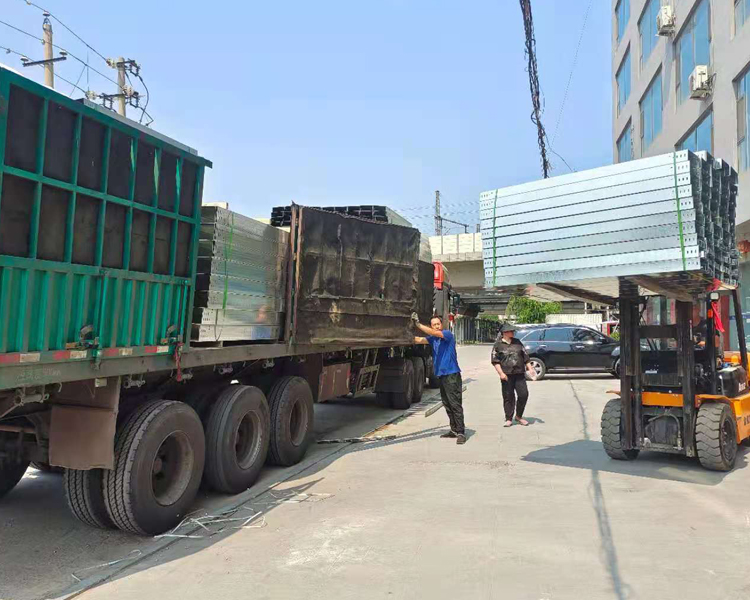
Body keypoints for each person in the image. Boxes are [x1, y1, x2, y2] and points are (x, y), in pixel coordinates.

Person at [413, 314, 466, 445]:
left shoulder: (447, 334)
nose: (436, 326)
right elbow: (419, 340)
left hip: (452, 375)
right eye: (434, 325)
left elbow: (433, 333)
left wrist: (418, 324)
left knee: (455, 403)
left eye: (438, 324)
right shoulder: (433, 339)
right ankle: (454, 430)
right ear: (431, 326)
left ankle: (461, 432)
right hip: (442, 376)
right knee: (447, 403)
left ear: (441, 325)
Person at [491, 323, 536, 427]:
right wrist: (501, 373)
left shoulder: (517, 342)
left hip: (519, 374)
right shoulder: (498, 345)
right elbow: (495, 361)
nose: (513, 332)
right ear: (505, 332)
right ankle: (508, 418)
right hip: (506, 375)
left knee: (523, 395)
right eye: (511, 331)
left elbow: (525, 357)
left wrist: (530, 368)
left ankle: (519, 416)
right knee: (508, 396)